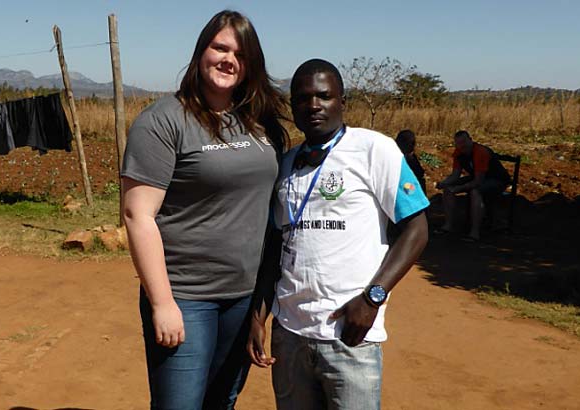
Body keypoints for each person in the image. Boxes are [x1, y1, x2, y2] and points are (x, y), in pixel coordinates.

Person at [120, 10, 287, 410]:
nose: (229, 59)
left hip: (242, 297)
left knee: (222, 401)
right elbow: (137, 215)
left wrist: (261, 307)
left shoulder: (257, 122)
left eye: (240, 54)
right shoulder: (163, 121)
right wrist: (162, 304)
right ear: (201, 53)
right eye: (220, 47)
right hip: (186, 297)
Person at [247, 59, 429, 410]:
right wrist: (260, 316)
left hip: (351, 337)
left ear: (342, 102)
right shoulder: (285, 164)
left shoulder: (374, 150)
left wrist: (373, 297)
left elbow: (417, 229)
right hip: (291, 335)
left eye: (324, 96)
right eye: (302, 98)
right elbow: (275, 247)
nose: (313, 105)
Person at [435, 130, 510, 241]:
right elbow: (455, 174)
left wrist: (458, 188)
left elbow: (478, 181)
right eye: (459, 143)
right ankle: (448, 225)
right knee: (448, 189)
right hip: (476, 176)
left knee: (475, 191)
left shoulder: (480, 152)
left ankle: (474, 232)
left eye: (464, 142)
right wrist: (445, 183)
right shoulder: (458, 153)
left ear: (470, 140)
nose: (462, 146)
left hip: (496, 179)